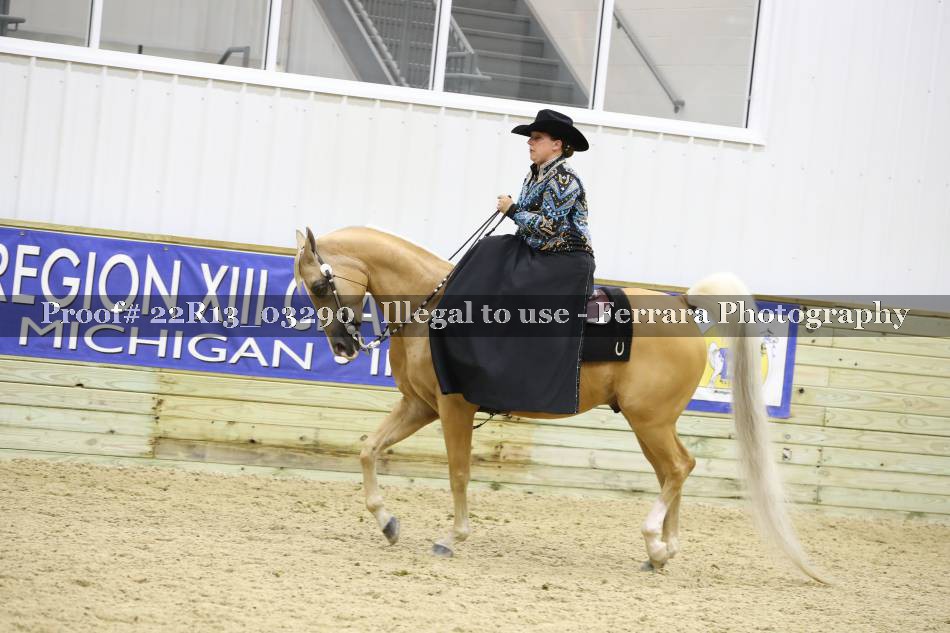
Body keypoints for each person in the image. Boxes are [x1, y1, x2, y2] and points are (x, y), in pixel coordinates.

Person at [429, 109, 595, 414]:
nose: (530, 143)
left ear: (557, 144)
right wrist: (515, 214)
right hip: (538, 251)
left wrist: (513, 210)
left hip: (565, 260)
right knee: (488, 251)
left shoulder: (565, 179)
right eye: (530, 138)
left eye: (537, 138)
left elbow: (550, 227)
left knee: (509, 283)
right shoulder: (534, 174)